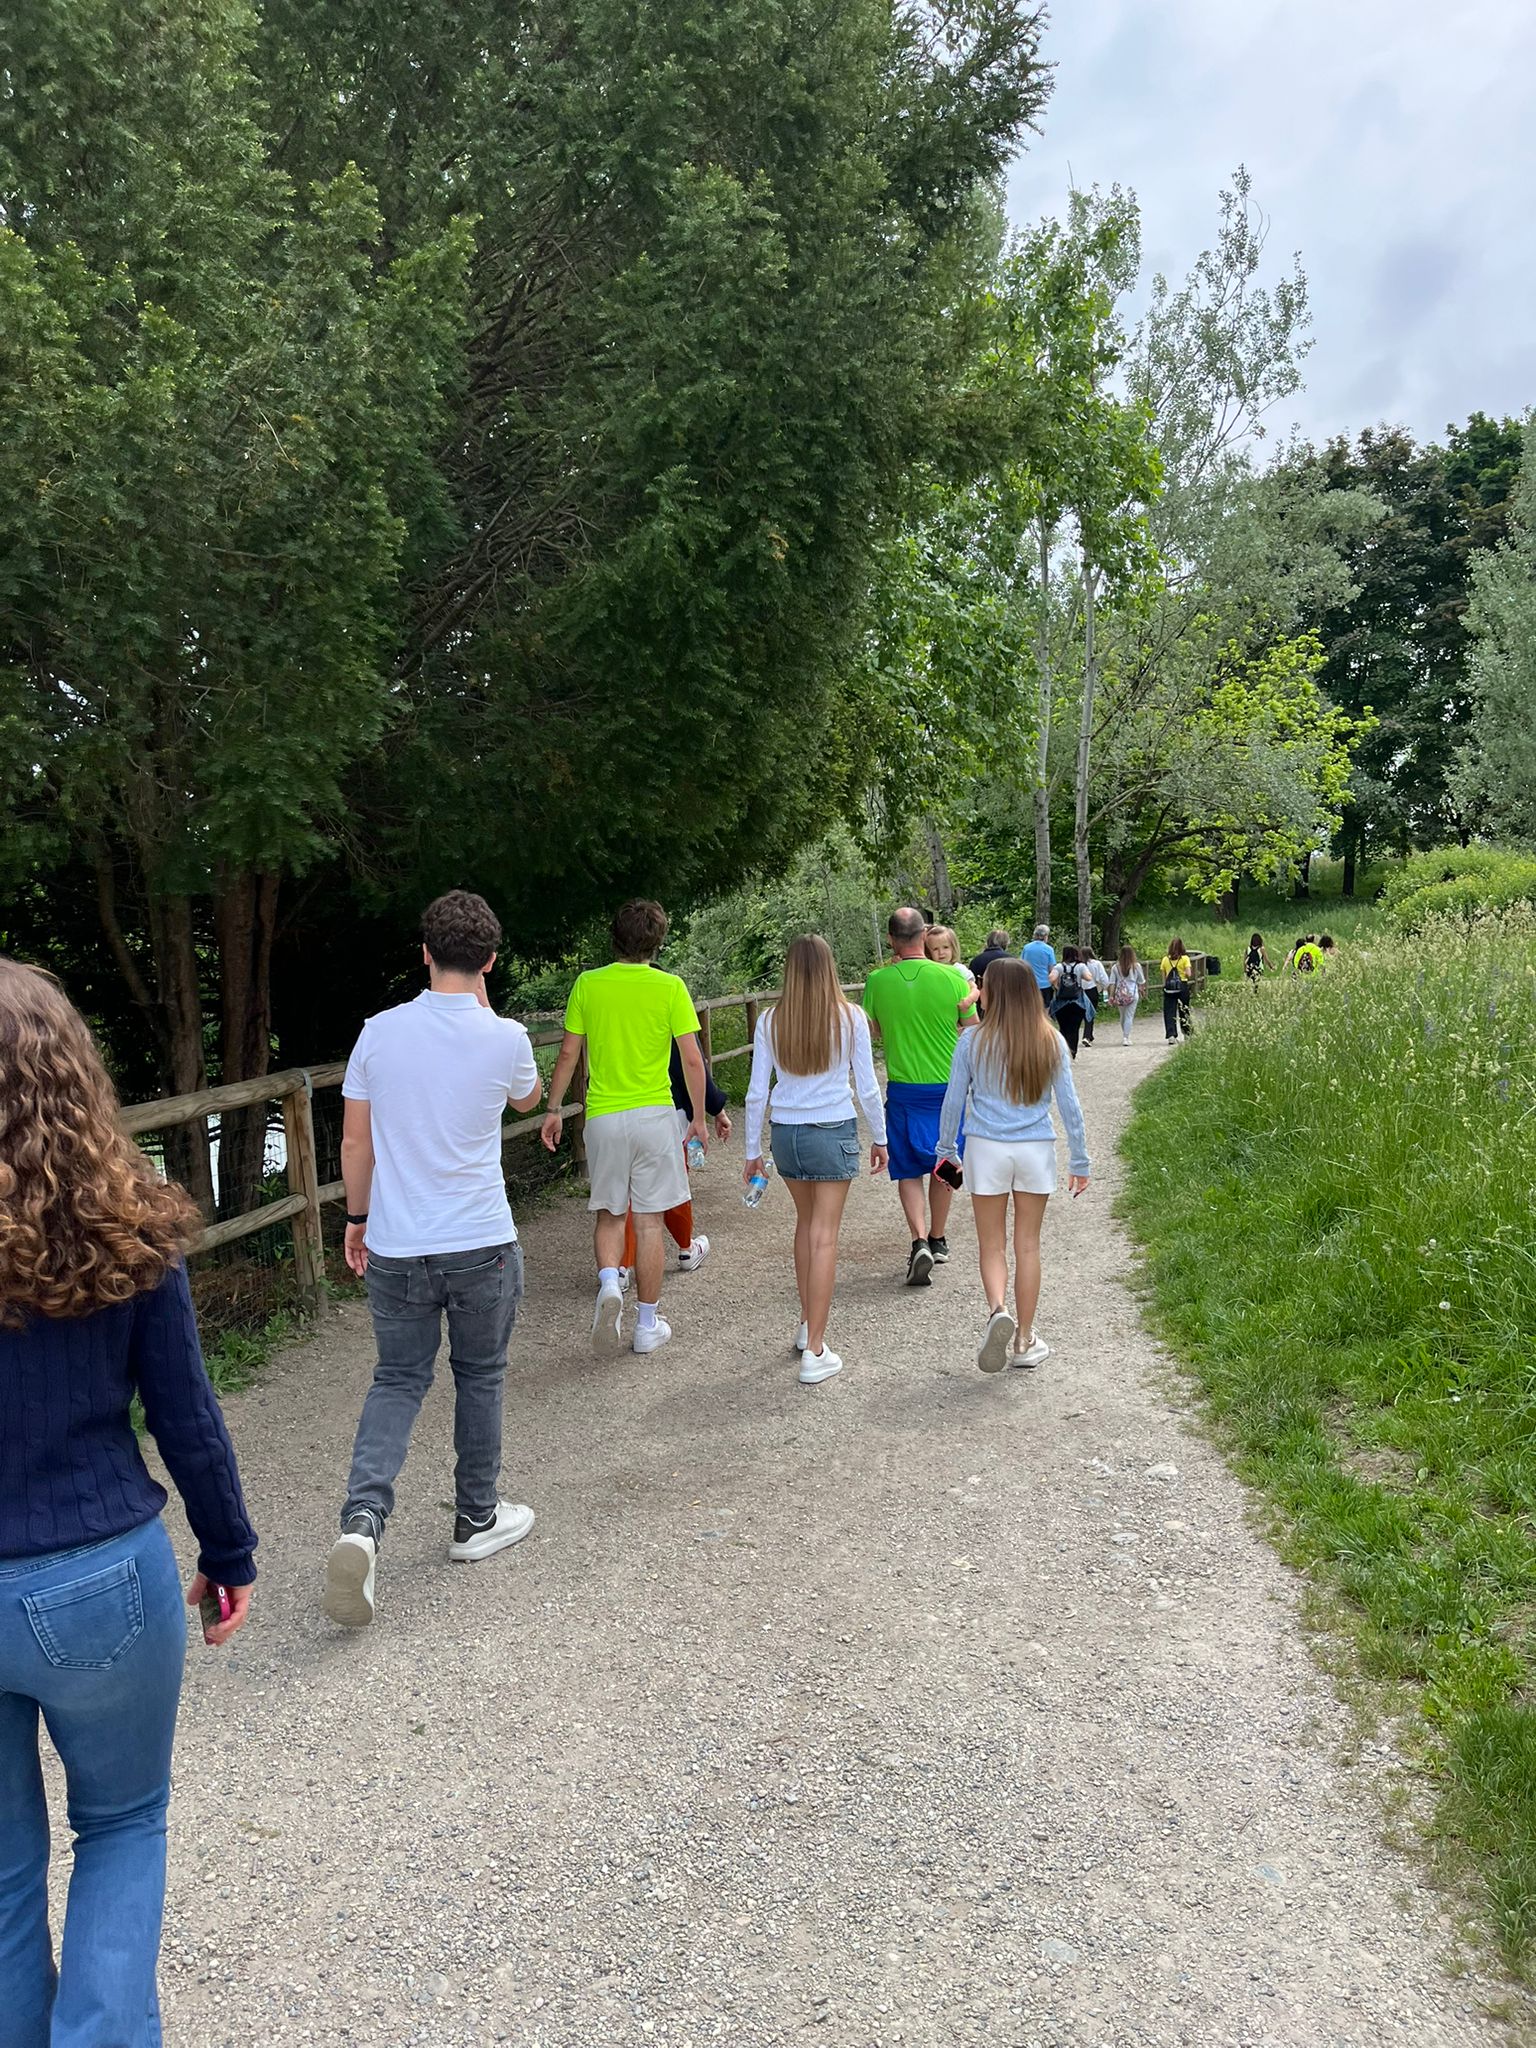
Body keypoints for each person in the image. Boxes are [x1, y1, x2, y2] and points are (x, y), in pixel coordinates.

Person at [0, 958, 257, 2044]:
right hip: (99, 1574)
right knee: (120, 1825)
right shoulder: (131, 1221)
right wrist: (229, 1550)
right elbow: (186, 1413)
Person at [329, 890, 542, 1628]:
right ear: (490, 960)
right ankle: (476, 1517)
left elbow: (355, 1141)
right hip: (480, 1240)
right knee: (480, 1374)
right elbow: (527, 1100)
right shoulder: (507, 1037)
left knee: (397, 1379)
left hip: (397, 1242)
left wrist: (357, 1218)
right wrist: (487, 1010)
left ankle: (362, 1521)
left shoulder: (377, 1033)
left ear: (424, 952)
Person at [542, 899, 707, 1356]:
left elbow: (569, 1054)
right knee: (649, 1222)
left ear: (614, 937)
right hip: (655, 1115)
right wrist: (698, 1116)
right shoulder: (670, 987)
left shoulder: (588, 984)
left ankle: (611, 1281)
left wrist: (554, 1109)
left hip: (604, 1117)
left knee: (610, 1214)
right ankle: (647, 1325)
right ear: (657, 941)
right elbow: (692, 1059)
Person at [743, 937, 889, 1383]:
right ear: (829, 967)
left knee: (806, 1226)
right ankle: (816, 1350)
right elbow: (866, 1086)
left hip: (786, 1133)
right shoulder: (851, 1017)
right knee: (824, 1236)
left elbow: (756, 1092)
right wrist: (881, 1137)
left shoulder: (771, 1020)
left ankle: (808, 1323)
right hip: (831, 1128)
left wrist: (752, 1151)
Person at [937, 960, 1090, 1372]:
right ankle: (1023, 1339)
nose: (979, 992)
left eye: (984, 986)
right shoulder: (1051, 1040)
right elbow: (1070, 1106)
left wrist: (946, 1151)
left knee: (992, 1244)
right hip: (1034, 1149)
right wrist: (1080, 1160)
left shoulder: (971, 1042)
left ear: (996, 994)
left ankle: (997, 1311)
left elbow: (953, 1101)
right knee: (1028, 1245)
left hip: (986, 1148)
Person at [863, 906, 976, 1286]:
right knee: (948, 1163)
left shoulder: (877, 981)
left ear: (891, 939)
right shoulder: (953, 978)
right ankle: (939, 1238)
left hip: (904, 1086)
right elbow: (972, 1028)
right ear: (924, 936)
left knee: (908, 1167)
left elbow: (874, 1030)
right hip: (948, 1087)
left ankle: (919, 1240)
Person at [619, 977, 733, 1286]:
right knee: (671, 1183)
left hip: (616, 1112)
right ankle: (685, 1248)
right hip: (667, 1109)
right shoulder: (669, 1000)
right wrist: (714, 1110)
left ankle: (621, 1267)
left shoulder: (615, 1011)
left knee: (625, 1190)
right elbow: (694, 1065)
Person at [924, 923, 980, 1020]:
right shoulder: (929, 969)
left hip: (961, 1012)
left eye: (945, 947)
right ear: (929, 952)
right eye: (935, 949)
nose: (941, 953)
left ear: (953, 948)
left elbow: (975, 989)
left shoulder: (959, 969)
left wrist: (969, 1000)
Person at [1048, 944, 1093, 1059]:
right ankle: (1072, 1052)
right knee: (1074, 1029)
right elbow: (1089, 977)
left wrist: (1057, 985)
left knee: (1063, 1028)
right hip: (1077, 1002)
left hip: (1061, 1003)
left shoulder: (1059, 967)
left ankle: (1063, 1052)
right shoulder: (1080, 966)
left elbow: (1051, 978)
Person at [1160, 935, 1195, 1041]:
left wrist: (1165, 985)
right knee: (1184, 1010)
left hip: (1169, 988)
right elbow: (1189, 974)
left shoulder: (1165, 960)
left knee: (1169, 1011)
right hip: (1182, 986)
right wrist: (1183, 972)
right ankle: (1187, 1033)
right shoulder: (1185, 959)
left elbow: (1164, 976)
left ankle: (1171, 1035)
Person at [1109, 945, 1146, 1042]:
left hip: (1120, 994)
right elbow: (1141, 981)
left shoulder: (1115, 967)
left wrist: (1111, 996)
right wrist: (1142, 991)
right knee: (1129, 1016)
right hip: (1132, 993)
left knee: (1122, 1016)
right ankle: (1126, 1037)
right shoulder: (1136, 966)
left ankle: (1125, 1034)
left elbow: (1112, 983)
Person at [1079, 941, 1109, 1045]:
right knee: (1090, 1013)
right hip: (1091, 989)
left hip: (1079, 990)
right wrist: (1105, 987)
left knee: (1081, 1013)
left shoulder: (1078, 965)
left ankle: (1088, 1035)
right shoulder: (1096, 964)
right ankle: (1087, 1035)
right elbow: (1103, 978)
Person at [1021, 923, 1057, 992]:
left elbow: (1022, 964)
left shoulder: (1026, 948)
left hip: (1029, 983)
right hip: (1045, 984)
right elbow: (1051, 969)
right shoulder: (1049, 949)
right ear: (1045, 936)